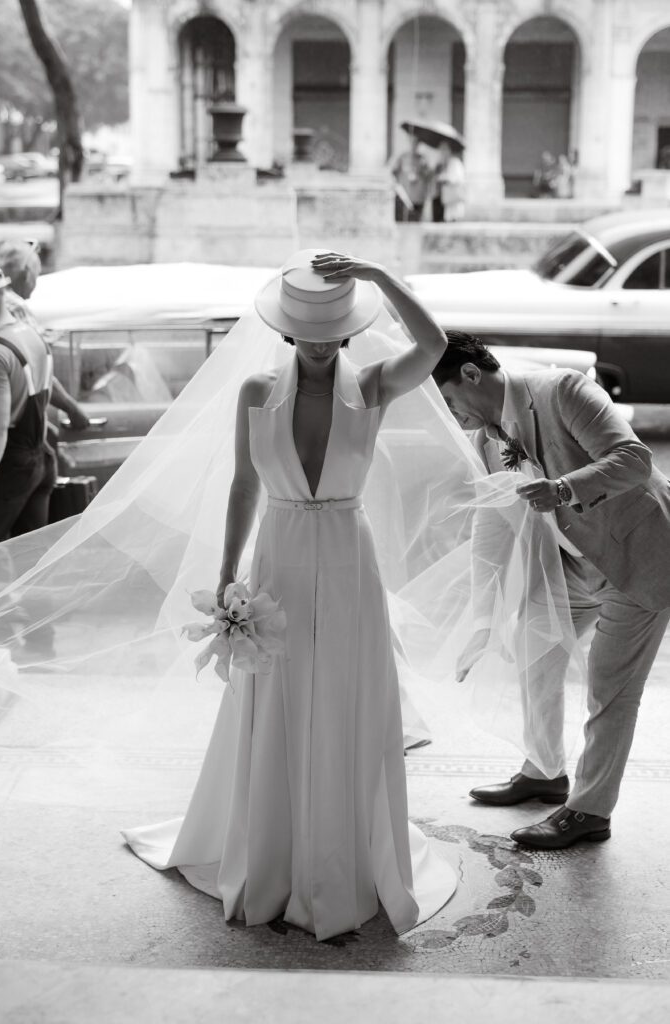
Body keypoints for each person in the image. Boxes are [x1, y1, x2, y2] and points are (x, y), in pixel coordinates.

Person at [120, 250, 457, 942]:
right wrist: (224, 574)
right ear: (285, 331)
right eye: (307, 330)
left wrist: (380, 278)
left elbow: (434, 346)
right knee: (274, 696)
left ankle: (340, 853)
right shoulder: (253, 391)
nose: (319, 342)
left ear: (347, 331)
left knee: (343, 692)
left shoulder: (371, 384)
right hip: (275, 556)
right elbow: (245, 483)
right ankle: (274, 852)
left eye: (332, 329)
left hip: (344, 550)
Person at [432, 331, 670, 849]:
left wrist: (563, 488)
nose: (452, 417)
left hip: (641, 556)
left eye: (449, 402)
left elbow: (634, 459)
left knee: (610, 691)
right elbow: (491, 529)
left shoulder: (563, 390)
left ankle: (588, 811)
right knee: (535, 650)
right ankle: (543, 771)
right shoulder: (486, 440)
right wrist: (482, 619)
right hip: (573, 564)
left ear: (471, 375)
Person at [0, 258, 56, 544]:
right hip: (40, 459)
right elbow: (45, 398)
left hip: (10, 467)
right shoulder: (31, 335)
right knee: (29, 563)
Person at [0, 240, 90, 432]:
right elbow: (39, 371)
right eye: (37, 276)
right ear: (27, 273)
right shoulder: (15, 307)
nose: (35, 284)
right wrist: (73, 409)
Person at [390, 135, 431, 222]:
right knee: (404, 222)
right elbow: (393, 172)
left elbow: (429, 176)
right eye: (412, 142)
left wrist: (421, 171)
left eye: (416, 143)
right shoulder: (403, 157)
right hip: (405, 197)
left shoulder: (422, 159)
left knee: (416, 221)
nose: (413, 145)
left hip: (418, 197)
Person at [431, 140, 465, 223]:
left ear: (449, 150)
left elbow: (457, 179)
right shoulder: (439, 164)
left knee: (451, 219)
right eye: (441, 150)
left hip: (451, 197)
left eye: (445, 149)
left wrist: (443, 177)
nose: (443, 152)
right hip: (440, 198)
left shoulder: (455, 163)